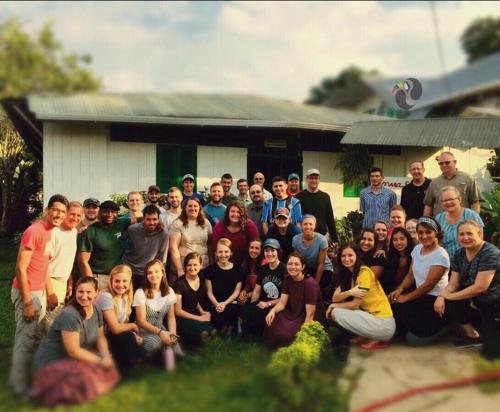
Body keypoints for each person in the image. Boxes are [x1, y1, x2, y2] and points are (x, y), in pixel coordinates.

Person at [9, 194, 69, 398]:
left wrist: (50, 292)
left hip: (39, 291)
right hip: (28, 291)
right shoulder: (35, 231)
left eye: (63, 212)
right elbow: (20, 268)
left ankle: (35, 379)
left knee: (35, 336)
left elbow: (42, 266)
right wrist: (27, 301)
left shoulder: (49, 232)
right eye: (56, 210)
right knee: (26, 338)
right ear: (47, 210)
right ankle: (20, 387)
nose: (59, 214)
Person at [31, 277, 119, 406]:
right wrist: (100, 361)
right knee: (87, 376)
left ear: (97, 292)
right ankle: (57, 392)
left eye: (88, 292)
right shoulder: (70, 315)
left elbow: (100, 337)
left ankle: (81, 390)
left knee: (110, 371)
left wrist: (105, 354)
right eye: (80, 292)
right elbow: (73, 351)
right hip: (52, 362)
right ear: (75, 292)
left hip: (72, 359)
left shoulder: (97, 311)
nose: (84, 296)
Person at [434, 220, 500, 357]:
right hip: (475, 301)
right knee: (448, 302)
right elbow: (453, 284)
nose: (465, 238)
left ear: (479, 234)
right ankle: (473, 336)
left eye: (469, 233)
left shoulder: (490, 252)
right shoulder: (459, 254)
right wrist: (442, 296)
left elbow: (480, 287)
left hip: (494, 303)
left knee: (492, 353)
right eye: (461, 234)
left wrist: (450, 296)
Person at [389, 217, 450, 345]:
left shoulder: (441, 255)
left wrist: (405, 298)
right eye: (420, 232)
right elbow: (410, 275)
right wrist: (400, 289)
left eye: (428, 232)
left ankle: (448, 324)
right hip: (420, 297)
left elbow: (427, 286)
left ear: (436, 233)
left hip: (434, 301)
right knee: (393, 306)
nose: (424, 236)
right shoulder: (417, 249)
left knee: (413, 341)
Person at [326, 243, 395, 350]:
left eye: (350, 255)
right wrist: (350, 292)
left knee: (335, 312)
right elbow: (335, 297)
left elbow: (355, 304)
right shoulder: (350, 275)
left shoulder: (364, 273)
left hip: (384, 324)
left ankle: (375, 338)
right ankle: (366, 335)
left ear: (357, 256)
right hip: (374, 319)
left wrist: (333, 306)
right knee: (338, 309)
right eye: (343, 256)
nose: (346, 259)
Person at [264, 252, 325, 348]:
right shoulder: (288, 279)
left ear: (303, 267)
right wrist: (272, 311)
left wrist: (304, 334)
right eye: (290, 264)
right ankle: (276, 347)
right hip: (292, 312)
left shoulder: (310, 284)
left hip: (306, 315)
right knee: (272, 321)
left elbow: (310, 314)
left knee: (288, 334)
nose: (293, 267)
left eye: (296, 264)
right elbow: (282, 303)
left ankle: (293, 348)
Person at [95, 265, 144, 370]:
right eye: (117, 281)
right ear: (111, 281)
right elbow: (115, 328)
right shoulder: (106, 297)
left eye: (124, 281)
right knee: (128, 339)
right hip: (99, 339)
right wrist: (133, 326)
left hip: (113, 337)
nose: (121, 285)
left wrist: (133, 333)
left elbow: (121, 327)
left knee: (140, 346)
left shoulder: (125, 298)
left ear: (130, 282)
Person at [44, 201, 83, 329]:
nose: (75, 218)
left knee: (55, 322)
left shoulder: (73, 232)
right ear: (65, 213)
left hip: (63, 283)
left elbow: (67, 259)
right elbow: (44, 264)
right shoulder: (54, 232)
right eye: (72, 214)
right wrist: (50, 293)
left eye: (79, 215)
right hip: (49, 282)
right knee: (47, 326)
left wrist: (69, 281)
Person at [77, 200, 131, 290]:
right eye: (105, 211)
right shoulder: (90, 231)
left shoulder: (120, 223)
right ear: (99, 212)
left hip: (117, 278)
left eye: (113, 212)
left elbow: (139, 219)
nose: (110, 214)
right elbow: (82, 261)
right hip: (98, 278)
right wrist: (92, 285)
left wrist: (159, 222)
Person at [133, 259, 179, 363]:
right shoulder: (140, 292)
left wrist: (172, 335)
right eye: (149, 272)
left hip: (162, 330)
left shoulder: (169, 291)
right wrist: (161, 333)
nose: (153, 275)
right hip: (144, 331)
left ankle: (170, 370)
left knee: (177, 352)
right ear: (146, 276)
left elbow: (171, 317)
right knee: (154, 344)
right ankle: (143, 366)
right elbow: (141, 321)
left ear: (162, 273)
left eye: (156, 271)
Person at [241, 238, 286, 339]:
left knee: (260, 314)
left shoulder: (284, 270)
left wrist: (268, 304)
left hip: (277, 304)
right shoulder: (263, 268)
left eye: (272, 250)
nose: (269, 253)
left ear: (278, 252)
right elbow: (257, 291)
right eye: (267, 251)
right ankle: (250, 336)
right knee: (247, 310)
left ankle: (260, 337)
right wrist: (253, 305)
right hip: (263, 302)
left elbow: (285, 298)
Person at [122, 205, 169, 291]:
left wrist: (160, 276)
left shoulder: (163, 234)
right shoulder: (132, 230)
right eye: (148, 219)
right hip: (130, 270)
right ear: (143, 219)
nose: (152, 222)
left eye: (154, 219)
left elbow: (162, 258)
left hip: (148, 273)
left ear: (159, 219)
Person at [173, 253, 216, 347]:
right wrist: (199, 318)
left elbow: (194, 298)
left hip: (196, 313)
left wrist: (202, 312)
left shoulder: (201, 278)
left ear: (201, 265)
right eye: (189, 265)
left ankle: (212, 352)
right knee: (204, 333)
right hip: (183, 318)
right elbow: (177, 311)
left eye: (195, 265)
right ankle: (197, 351)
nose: (192, 268)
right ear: (185, 267)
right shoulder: (179, 283)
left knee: (213, 331)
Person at [423, 151, 482, 216]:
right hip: (440, 223)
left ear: (455, 162)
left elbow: (475, 202)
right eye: (441, 163)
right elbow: (428, 205)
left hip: (463, 223)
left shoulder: (468, 179)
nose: (444, 165)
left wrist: (474, 221)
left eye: (447, 162)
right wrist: (426, 223)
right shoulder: (434, 183)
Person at [204, 239, 244, 335]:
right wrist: (217, 304)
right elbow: (209, 292)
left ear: (231, 253)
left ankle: (231, 328)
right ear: (216, 253)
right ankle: (224, 329)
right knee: (217, 317)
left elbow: (236, 292)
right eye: (220, 252)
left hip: (230, 303)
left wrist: (225, 303)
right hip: (215, 304)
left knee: (232, 312)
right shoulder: (210, 270)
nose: (223, 255)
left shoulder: (238, 270)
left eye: (226, 251)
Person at [292, 215, 334, 301]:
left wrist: (315, 284)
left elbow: (321, 264)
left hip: (323, 269)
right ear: (301, 226)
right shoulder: (296, 240)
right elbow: (298, 260)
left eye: (311, 224)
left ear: (314, 226)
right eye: (305, 224)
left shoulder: (321, 240)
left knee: (315, 289)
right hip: (307, 268)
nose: (308, 227)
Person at [435, 186, 483, 259]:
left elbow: (480, 239)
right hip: (445, 261)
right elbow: (437, 242)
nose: (448, 202)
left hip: (468, 259)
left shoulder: (471, 215)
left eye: (451, 199)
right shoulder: (439, 218)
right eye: (444, 200)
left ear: (459, 199)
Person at [169, 198, 212, 277]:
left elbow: (210, 245)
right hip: (185, 268)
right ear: (185, 208)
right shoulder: (178, 223)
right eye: (190, 206)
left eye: (195, 206)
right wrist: (179, 269)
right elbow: (173, 247)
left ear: (199, 207)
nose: (193, 208)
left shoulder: (206, 223)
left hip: (203, 267)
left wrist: (212, 265)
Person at [295, 168, 338, 243]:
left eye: (316, 178)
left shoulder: (325, 197)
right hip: (305, 237)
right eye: (311, 178)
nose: (314, 181)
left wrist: (335, 239)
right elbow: (296, 219)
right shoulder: (299, 197)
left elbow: (330, 219)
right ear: (306, 179)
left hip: (322, 236)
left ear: (319, 180)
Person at [212, 202, 260, 266]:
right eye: (232, 211)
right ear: (228, 213)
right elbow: (215, 248)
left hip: (245, 263)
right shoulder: (220, 226)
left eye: (238, 212)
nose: (235, 214)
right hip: (223, 262)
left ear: (243, 213)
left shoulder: (250, 226)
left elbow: (255, 247)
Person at [381, 228, 415, 294]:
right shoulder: (389, 257)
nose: (398, 242)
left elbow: (411, 277)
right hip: (391, 293)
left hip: (409, 293)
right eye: (395, 240)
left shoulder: (415, 255)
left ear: (408, 239)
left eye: (402, 239)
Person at [238, 239, 264, 306]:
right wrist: (244, 291)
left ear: (261, 250)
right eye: (251, 247)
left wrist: (249, 295)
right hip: (251, 292)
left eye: (257, 248)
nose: (253, 250)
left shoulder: (264, 264)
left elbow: (263, 288)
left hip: (262, 296)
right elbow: (248, 283)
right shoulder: (247, 262)